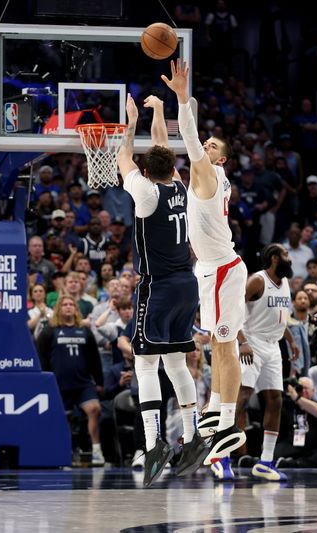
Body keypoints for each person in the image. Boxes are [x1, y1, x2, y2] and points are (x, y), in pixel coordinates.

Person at [116, 90, 208, 486]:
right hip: (188, 284)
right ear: (172, 169)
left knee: (145, 364)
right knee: (176, 363)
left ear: (146, 171)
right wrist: (161, 111)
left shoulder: (145, 192)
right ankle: (192, 436)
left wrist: (130, 119)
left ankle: (154, 442)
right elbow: (159, 150)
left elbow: (123, 157)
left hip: (159, 288)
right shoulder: (180, 187)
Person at [162, 59, 247, 470]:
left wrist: (182, 98)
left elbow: (191, 144)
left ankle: (224, 432)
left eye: (215, 147)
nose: (207, 148)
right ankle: (217, 428)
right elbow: (172, 151)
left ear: (222, 160)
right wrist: (164, 113)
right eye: (208, 144)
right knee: (217, 347)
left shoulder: (210, 176)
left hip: (224, 269)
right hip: (209, 270)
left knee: (225, 348)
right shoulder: (198, 180)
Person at [238, 244, 295, 481]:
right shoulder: (257, 281)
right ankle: (220, 454)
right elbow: (233, 310)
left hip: (273, 345)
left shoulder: (285, 282)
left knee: (275, 399)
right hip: (251, 342)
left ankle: (265, 461)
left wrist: (291, 340)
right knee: (242, 396)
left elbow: (281, 315)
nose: (289, 259)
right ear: (273, 258)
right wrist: (242, 341)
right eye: (285, 255)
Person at [36, 296, 105, 467]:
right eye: (65, 304)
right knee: (63, 419)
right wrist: (45, 382)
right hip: (59, 384)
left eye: (71, 304)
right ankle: (64, 451)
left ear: (76, 309)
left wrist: (99, 381)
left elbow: (94, 359)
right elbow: (41, 357)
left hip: (83, 383)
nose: (68, 307)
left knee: (95, 409)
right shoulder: (50, 331)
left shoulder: (85, 331)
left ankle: (96, 450)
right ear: (59, 309)